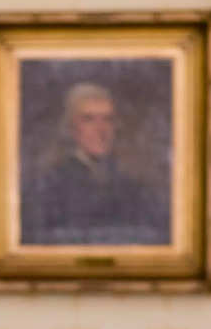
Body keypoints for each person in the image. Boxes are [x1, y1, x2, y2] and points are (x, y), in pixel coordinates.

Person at [21, 82, 170, 245]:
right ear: (71, 128)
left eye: (108, 119)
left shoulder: (133, 186)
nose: (101, 130)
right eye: (88, 119)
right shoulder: (49, 185)